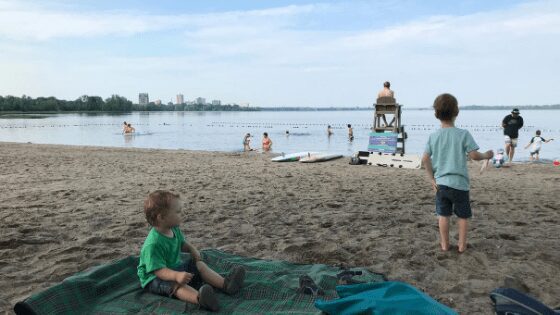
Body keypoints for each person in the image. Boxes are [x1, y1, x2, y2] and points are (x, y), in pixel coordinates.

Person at [137, 191, 246, 312]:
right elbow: (158, 271)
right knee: (177, 286)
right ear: (161, 217)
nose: (182, 214)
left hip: (173, 267)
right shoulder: (153, 244)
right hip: (155, 278)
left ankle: (226, 284)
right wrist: (176, 276)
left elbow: (182, 244)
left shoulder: (173, 229)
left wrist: (191, 249)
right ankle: (200, 298)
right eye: (177, 212)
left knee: (198, 265)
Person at [422, 93, 493, 253]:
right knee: (462, 216)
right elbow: (474, 155)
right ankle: (461, 245)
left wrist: (431, 178)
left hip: (441, 184)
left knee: (443, 215)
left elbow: (425, 159)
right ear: (457, 112)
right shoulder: (463, 134)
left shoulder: (433, 136)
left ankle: (445, 245)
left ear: (436, 114)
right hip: (460, 184)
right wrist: (486, 155)